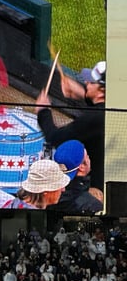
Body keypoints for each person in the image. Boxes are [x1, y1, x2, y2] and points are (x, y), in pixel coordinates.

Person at [36, 59, 105, 192]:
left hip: (94, 188)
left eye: (91, 83)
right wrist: (82, 93)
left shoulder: (92, 119)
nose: (86, 83)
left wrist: (43, 111)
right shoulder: (116, 105)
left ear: (102, 91)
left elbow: (56, 138)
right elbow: (101, 106)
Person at [53, 139, 103, 214]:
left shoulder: (49, 195)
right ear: (82, 167)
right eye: (87, 157)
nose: (89, 159)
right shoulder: (92, 205)